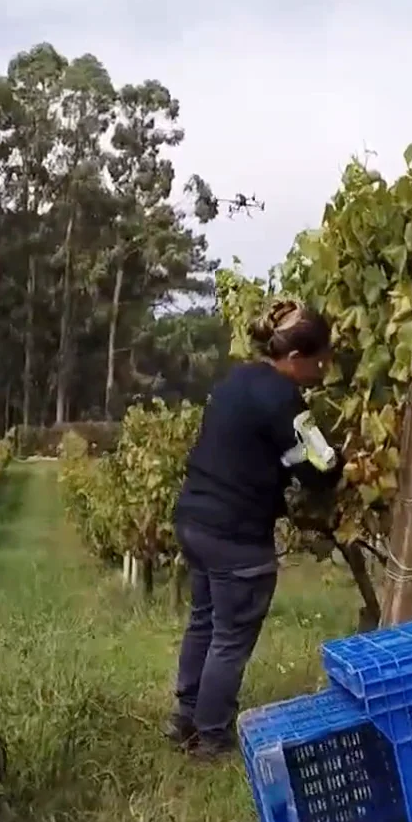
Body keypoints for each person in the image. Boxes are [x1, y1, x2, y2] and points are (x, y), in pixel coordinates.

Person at [166, 299, 343, 758]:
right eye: (321, 360)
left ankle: (184, 717)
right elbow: (321, 467)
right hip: (235, 534)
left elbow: (275, 453)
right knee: (230, 636)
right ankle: (212, 738)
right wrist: (345, 463)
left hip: (195, 520)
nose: (324, 370)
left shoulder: (236, 379)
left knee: (205, 621)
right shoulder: (285, 401)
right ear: (296, 358)